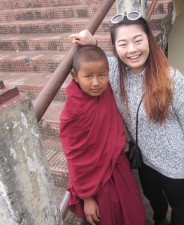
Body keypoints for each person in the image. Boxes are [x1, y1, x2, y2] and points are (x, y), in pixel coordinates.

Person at [70, 11, 184, 225]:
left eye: (138, 40)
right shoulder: (114, 72)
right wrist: (92, 42)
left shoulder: (172, 79)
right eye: (123, 44)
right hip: (145, 160)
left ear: (149, 40)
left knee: (178, 205)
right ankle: (159, 221)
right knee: (153, 198)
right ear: (116, 48)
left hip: (175, 161)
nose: (132, 49)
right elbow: (101, 62)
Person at [59, 45, 146, 225]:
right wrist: (87, 198)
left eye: (102, 75)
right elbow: (74, 157)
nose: (96, 82)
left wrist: (118, 138)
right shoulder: (73, 112)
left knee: (132, 209)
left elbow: (113, 119)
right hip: (94, 180)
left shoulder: (106, 91)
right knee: (108, 216)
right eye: (88, 76)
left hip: (117, 163)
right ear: (75, 77)